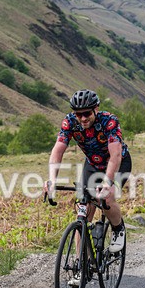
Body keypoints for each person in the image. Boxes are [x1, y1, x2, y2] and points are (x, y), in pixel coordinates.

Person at [46, 89, 132, 264]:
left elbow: (115, 156)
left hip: (118, 163)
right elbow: (58, 150)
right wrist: (52, 180)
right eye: (79, 115)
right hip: (92, 165)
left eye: (87, 114)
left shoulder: (109, 121)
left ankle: (118, 229)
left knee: (107, 197)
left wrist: (108, 182)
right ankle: (81, 262)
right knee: (83, 210)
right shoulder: (69, 122)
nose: (83, 118)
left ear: (96, 109)